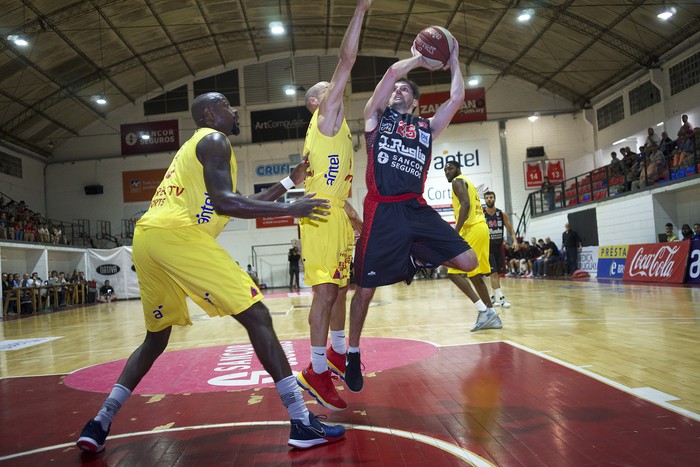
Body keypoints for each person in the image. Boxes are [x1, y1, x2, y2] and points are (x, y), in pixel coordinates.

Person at [75, 92, 343, 454]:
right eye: (228, 106)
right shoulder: (215, 141)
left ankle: (101, 421)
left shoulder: (200, 149)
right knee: (258, 315)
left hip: (147, 238)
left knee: (156, 338)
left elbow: (230, 203)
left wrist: (289, 182)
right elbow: (227, 202)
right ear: (210, 113)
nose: (235, 112)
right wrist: (291, 209)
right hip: (178, 235)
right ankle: (300, 419)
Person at [346, 37, 479, 393]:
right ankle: (353, 353)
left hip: (415, 207)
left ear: (416, 103)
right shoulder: (375, 120)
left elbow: (456, 99)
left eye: (406, 90)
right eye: (396, 90)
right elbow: (391, 71)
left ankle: (412, 253)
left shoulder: (428, 128)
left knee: (468, 260)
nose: (398, 91)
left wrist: (454, 59)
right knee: (364, 291)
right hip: (382, 209)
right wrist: (418, 59)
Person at [295, 0, 369, 412]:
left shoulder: (334, 126)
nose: (338, 90)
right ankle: (316, 370)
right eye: (329, 89)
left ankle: (337, 353)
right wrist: (360, 10)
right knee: (325, 293)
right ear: (316, 102)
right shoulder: (325, 117)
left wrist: (353, 217)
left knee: (342, 287)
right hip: (322, 214)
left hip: (336, 211)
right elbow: (347, 58)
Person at [445, 163, 503, 331]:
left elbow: (466, 205)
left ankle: (484, 311)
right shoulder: (467, 182)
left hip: (472, 229)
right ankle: (490, 313)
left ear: (458, 169)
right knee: (474, 274)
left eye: (450, 169)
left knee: (454, 273)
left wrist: (455, 232)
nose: (447, 172)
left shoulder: (457, 181)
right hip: (479, 229)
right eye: (445, 170)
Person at [483, 191, 518, 307]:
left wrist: (515, 240)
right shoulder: (481, 214)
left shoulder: (501, 214)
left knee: (497, 274)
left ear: (494, 199)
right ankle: (502, 298)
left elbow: (510, 229)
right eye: (487, 198)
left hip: (499, 247)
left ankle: (493, 297)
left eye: (491, 197)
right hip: (487, 248)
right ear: (485, 200)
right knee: (493, 273)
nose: (489, 199)